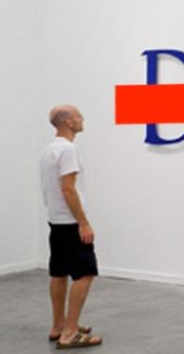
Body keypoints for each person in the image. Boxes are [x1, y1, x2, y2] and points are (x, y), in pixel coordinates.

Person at [39, 105, 103, 349]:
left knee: (59, 272)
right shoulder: (68, 150)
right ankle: (70, 332)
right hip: (70, 222)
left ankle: (58, 326)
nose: (82, 119)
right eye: (78, 116)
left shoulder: (49, 149)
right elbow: (68, 188)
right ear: (68, 122)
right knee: (85, 273)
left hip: (56, 221)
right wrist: (83, 222)